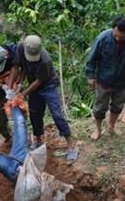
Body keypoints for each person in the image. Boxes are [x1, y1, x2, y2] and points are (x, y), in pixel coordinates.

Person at [8, 35, 78, 165]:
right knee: (35, 114)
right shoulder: (20, 48)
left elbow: (39, 81)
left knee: (57, 114)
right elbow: (17, 67)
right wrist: (11, 86)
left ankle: (70, 145)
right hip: (33, 86)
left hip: (48, 86)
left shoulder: (45, 60)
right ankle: (38, 139)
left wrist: (22, 93)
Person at [85, 16, 125, 141]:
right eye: (116, 35)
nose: (118, 38)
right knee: (100, 107)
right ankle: (98, 129)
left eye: (122, 37)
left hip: (123, 81)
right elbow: (92, 59)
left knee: (118, 106)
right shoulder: (102, 38)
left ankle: (111, 126)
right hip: (104, 80)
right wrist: (91, 76)